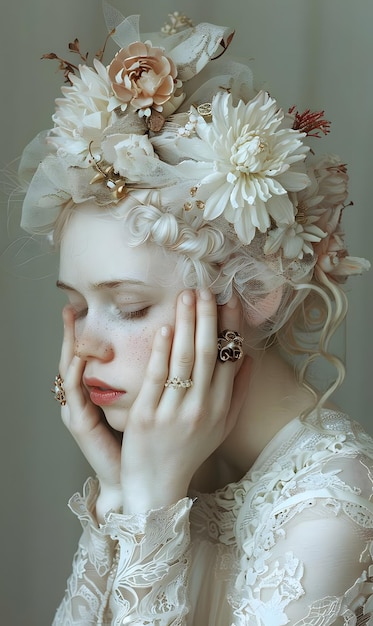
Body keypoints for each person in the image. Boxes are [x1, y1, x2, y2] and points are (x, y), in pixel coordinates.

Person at [17, 4, 373, 624]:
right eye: (76, 306)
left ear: (252, 293)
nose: (85, 348)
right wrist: (125, 494)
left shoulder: (331, 506)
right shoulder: (174, 456)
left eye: (128, 307)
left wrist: (151, 504)